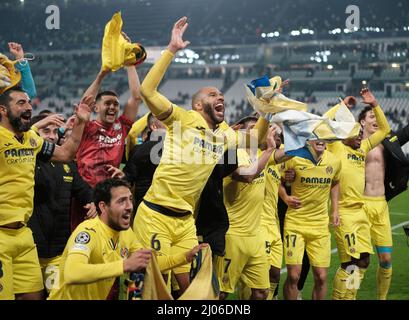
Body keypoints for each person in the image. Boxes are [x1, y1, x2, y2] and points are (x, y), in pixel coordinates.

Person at [133, 17, 269, 294]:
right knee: (151, 288)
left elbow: (258, 139)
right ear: (198, 104)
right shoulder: (182, 119)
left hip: (185, 222)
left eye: (222, 95)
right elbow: (147, 91)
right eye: (213, 94)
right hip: (155, 215)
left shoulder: (225, 135)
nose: (221, 97)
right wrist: (171, 49)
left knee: (193, 291)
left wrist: (266, 109)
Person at [0, 87, 92, 300]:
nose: (29, 107)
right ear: (3, 110)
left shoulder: (32, 140)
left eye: (29, 102)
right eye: (21, 103)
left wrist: (81, 122)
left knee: (36, 297)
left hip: (23, 235)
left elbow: (67, 153)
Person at [48, 178, 205, 300]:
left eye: (130, 199)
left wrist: (185, 257)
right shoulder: (88, 231)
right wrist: (124, 265)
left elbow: (149, 263)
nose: (129, 206)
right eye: (121, 201)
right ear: (103, 207)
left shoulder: (126, 233)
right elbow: (72, 273)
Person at [325, 89, 391, 300]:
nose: (361, 135)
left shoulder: (361, 148)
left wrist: (375, 105)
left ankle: (349, 295)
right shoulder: (336, 147)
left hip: (360, 212)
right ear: (344, 134)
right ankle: (339, 298)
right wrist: (341, 106)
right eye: (356, 131)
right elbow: (320, 125)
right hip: (344, 213)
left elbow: (385, 129)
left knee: (363, 261)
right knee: (349, 262)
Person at [218, 119, 290, 300]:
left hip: (256, 236)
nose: (257, 132)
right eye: (252, 129)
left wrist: (305, 138)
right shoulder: (231, 155)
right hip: (233, 235)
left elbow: (287, 154)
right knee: (221, 292)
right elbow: (249, 175)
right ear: (239, 134)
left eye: (260, 129)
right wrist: (268, 150)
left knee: (261, 292)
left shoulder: (260, 153)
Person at [28, 113, 96, 295]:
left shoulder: (67, 166)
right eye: (45, 131)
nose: (51, 136)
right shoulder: (25, 163)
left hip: (57, 253)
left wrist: (93, 202)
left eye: (54, 131)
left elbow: (84, 190)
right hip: (29, 253)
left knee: (56, 296)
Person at [358, 107, 409, 299]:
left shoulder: (387, 143)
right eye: (372, 116)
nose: (376, 119)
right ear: (362, 122)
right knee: (359, 260)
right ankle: (350, 293)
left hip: (380, 205)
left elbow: (406, 131)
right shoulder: (352, 144)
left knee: (386, 259)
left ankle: (382, 298)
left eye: (377, 116)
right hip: (359, 207)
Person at [280, 139, 341, 300]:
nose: (320, 140)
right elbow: (278, 181)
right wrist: (286, 197)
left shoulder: (334, 161)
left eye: (323, 137)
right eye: (316, 136)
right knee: (293, 275)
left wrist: (335, 209)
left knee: (321, 276)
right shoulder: (294, 158)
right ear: (309, 140)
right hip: (295, 223)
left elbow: (335, 182)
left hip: (320, 226)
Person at [76, 45, 142, 188]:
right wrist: (101, 75)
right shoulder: (86, 126)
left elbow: (136, 97)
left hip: (109, 189)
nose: (112, 107)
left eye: (116, 104)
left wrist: (130, 61)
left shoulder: (122, 126)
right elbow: (84, 104)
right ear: (96, 107)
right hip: (85, 190)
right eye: (108, 103)